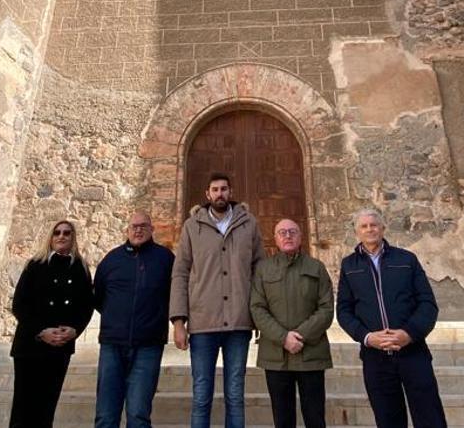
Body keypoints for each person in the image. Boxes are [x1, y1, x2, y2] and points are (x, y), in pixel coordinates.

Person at [169, 173, 266, 428]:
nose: (220, 193)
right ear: (207, 194)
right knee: (201, 395)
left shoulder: (249, 224)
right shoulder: (192, 226)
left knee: (235, 395)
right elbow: (180, 272)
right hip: (203, 323)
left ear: (230, 192)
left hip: (238, 323)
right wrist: (179, 322)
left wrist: (260, 316)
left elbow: (260, 270)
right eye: (215, 189)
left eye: (224, 189)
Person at [335, 209, 447, 428]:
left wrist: (409, 333)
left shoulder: (406, 259)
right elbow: (344, 311)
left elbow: (427, 303)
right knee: (387, 420)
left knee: (429, 417)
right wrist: (367, 337)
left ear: (383, 228)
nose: (370, 229)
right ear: (357, 232)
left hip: (413, 353)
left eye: (374, 225)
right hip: (375, 358)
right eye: (364, 226)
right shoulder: (349, 265)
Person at [92, 212, 175, 428]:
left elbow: (174, 295)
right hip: (112, 344)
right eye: (134, 226)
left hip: (148, 344)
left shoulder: (165, 259)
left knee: (138, 413)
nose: (138, 230)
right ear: (127, 230)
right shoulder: (112, 259)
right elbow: (99, 296)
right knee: (105, 415)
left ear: (152, 229)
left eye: (143, 226)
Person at [9, 220, 94, 428]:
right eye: (57, 233)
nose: (61, 236)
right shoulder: (35, 265)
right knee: (23, 407)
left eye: (67, 233)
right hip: (30, 346)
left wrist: (75, 329)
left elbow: (86, 306)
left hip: (60, 346)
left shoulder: (81, 269)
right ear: (50, 237)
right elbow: (19, 304)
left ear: (73, 238)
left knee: (47, 407)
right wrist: (41, 331)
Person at [249, 219, 334, 428]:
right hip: (276, 355)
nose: (288, 236)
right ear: (275, 239)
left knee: (315, 417)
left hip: (311, 353)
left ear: (300, 236)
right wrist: (283, 337)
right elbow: (257, 308)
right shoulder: (263, 269)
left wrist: (301, 335)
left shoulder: (316, 267)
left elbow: (326, 308)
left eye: (292, 232)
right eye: (282, 232)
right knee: (282, 418)